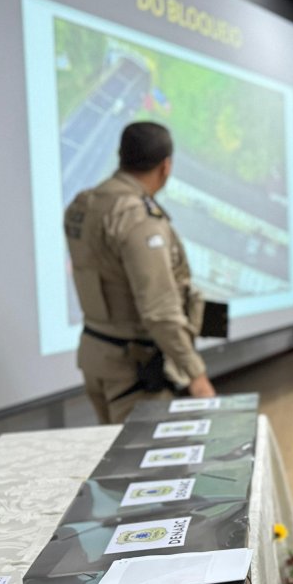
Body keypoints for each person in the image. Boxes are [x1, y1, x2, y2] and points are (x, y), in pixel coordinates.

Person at [64, 121, 214, 424]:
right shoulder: (138, 219)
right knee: (143, 467)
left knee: (114, 461)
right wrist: (196, 375)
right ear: (165, 166)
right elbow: (159, 311)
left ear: (122, 156)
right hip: (135, 370)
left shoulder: (83, 203)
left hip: (97, 355)